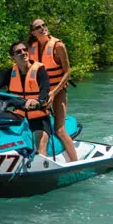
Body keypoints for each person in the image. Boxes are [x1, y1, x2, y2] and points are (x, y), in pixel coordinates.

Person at [0, 41, 53, 155]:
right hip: (18, 115)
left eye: (25, 50)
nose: (23, 53)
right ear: (13, 56)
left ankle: (42, 165)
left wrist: (37, 100)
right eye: (18, 52)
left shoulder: (39, 70)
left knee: (40, 141)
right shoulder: (10, 73)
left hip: (39, 116)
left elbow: (45, 88)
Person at [27, 19, 78, 162]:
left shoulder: (58, 46)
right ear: (33, 32)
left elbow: (67, 72)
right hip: (40, 93)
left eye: (44, 25)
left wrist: (54, 92)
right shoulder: (31, 48)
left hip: (58, 91)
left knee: (60, 130)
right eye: (38, 27)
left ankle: (75, 163)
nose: (42, 28)